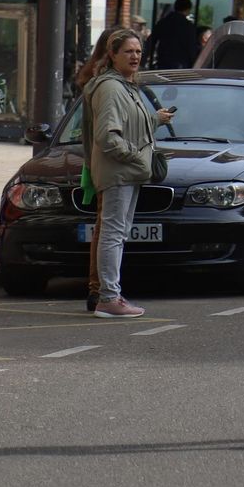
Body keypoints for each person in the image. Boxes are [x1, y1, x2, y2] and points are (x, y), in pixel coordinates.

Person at [82, 28, 173, 317]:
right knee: (112, 233)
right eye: (128, 52)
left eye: (138, 51)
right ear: (112, 54)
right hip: (119, 171)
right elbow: (107, 136)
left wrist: (153, 120)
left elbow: (130, 123)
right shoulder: (110, 87)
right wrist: (133, 157)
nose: (135, 56)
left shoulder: (125, 85)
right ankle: (109, 297)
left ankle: (111, 295)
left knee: (117, 234)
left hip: (129, 171)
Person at [75, 26, 126, 313]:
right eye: (127, 49)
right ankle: (99, 290)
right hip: (104, 158)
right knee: (106, 227)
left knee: (103, 225)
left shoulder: (94, 77)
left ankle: (98, 289)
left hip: (93, 157)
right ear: (112, 51)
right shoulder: (106, 82)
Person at [145, 0, 199, 70]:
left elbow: (151, 41)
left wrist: (144, 58)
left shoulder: (164, 22)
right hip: (182, 65)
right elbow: (191, 47)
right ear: (188, 9)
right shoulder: (188, 26)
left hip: (163, 62)